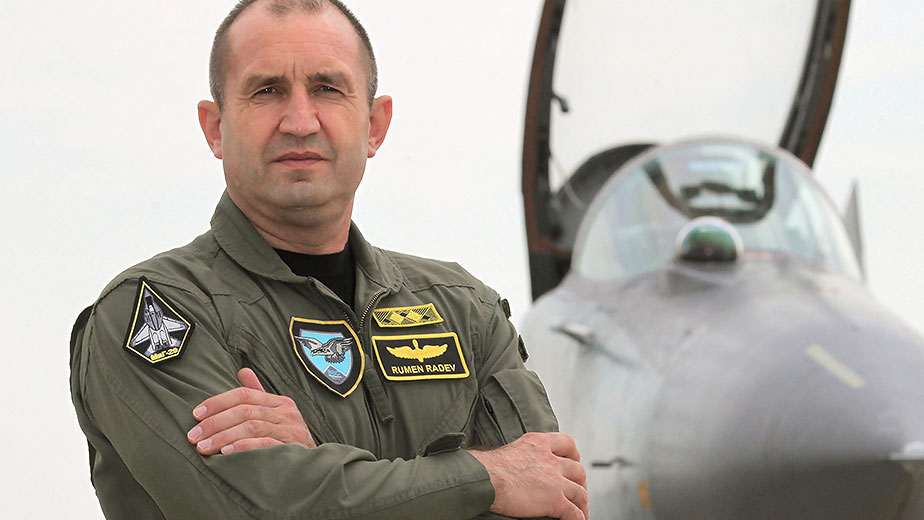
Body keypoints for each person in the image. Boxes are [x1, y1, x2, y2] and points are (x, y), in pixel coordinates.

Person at [69, 0, 588, 518]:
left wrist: (319, 464)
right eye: (266, 91)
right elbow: (254, 512)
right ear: (215, 128)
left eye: (327, 89)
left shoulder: (465, 312)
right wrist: (486, 478)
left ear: (375, 125)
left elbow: (551, 500)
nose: (299, 121)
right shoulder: (156, 312)